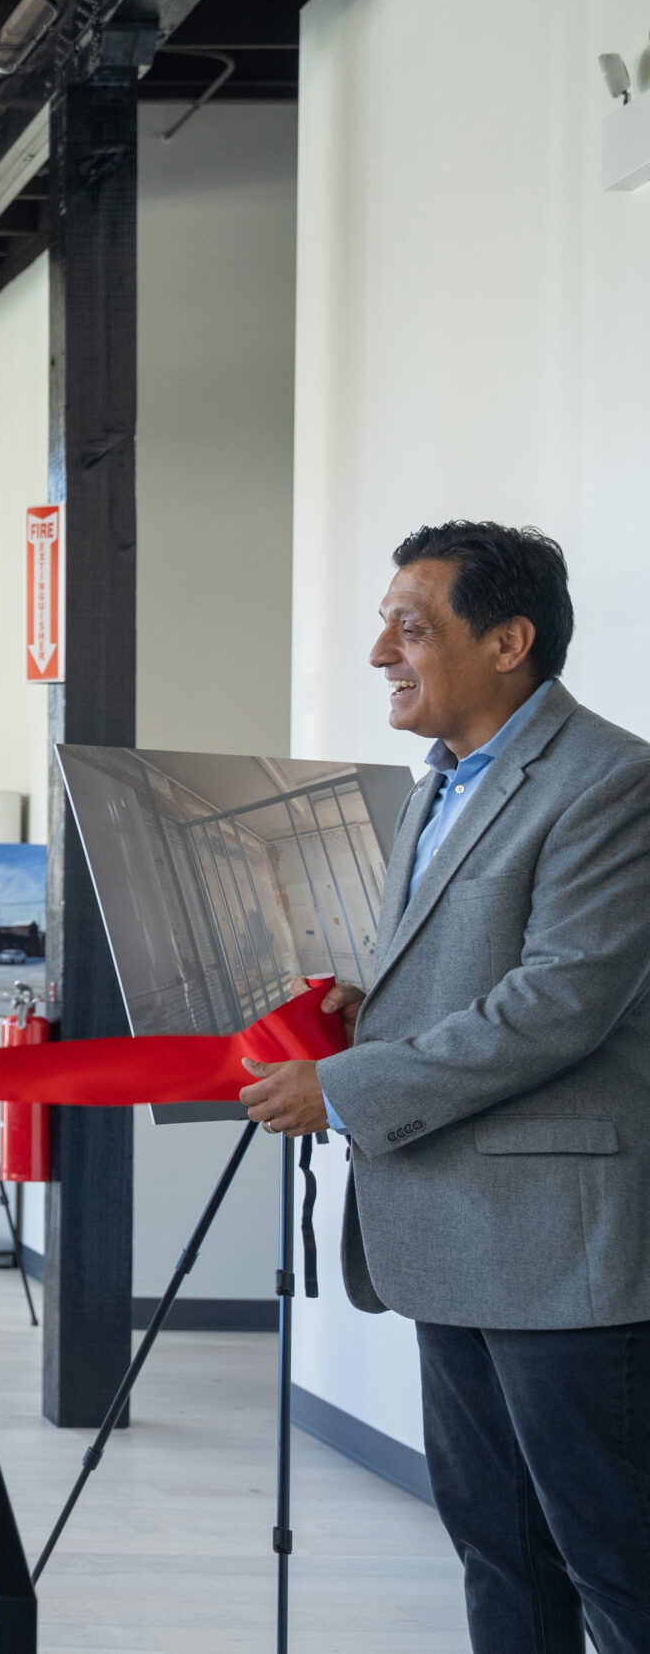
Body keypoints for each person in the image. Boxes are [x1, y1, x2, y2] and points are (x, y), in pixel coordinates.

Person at [239, 522, 650, 1654]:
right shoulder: (437, 787)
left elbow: (558, 1003)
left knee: (614, 1562)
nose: (380, 651)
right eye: (384, 624)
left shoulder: (612, 783)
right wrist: (353, 1016)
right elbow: (459, 971)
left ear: (509, 640)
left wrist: (348, 1085)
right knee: (499, 1557)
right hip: (446, 1225)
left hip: (556, 1248)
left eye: (410, 626)